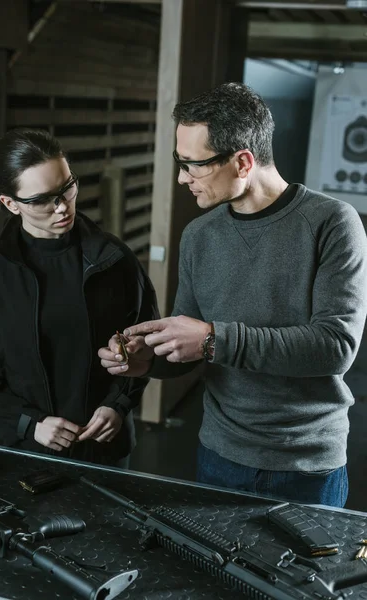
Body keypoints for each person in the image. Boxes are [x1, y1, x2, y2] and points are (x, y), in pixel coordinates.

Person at [99, 82, 367, 506]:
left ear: (243, 161)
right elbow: (187, 349)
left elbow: (335, 347)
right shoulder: (198, 236)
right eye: (179, 161)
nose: (183, 177)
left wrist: (212, 338)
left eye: (194, 165)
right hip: (219, 455)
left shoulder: (333, 224)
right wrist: (147, 359)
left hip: (305, 466)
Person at [0, 128, 158, 468]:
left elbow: (146, 345)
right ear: (10, 204)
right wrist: (30, 423)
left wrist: (118, 405)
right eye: (42, 199)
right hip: (26, 452)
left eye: (67, 188)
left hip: (106, 450)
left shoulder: (115, 260)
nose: (62, 208)